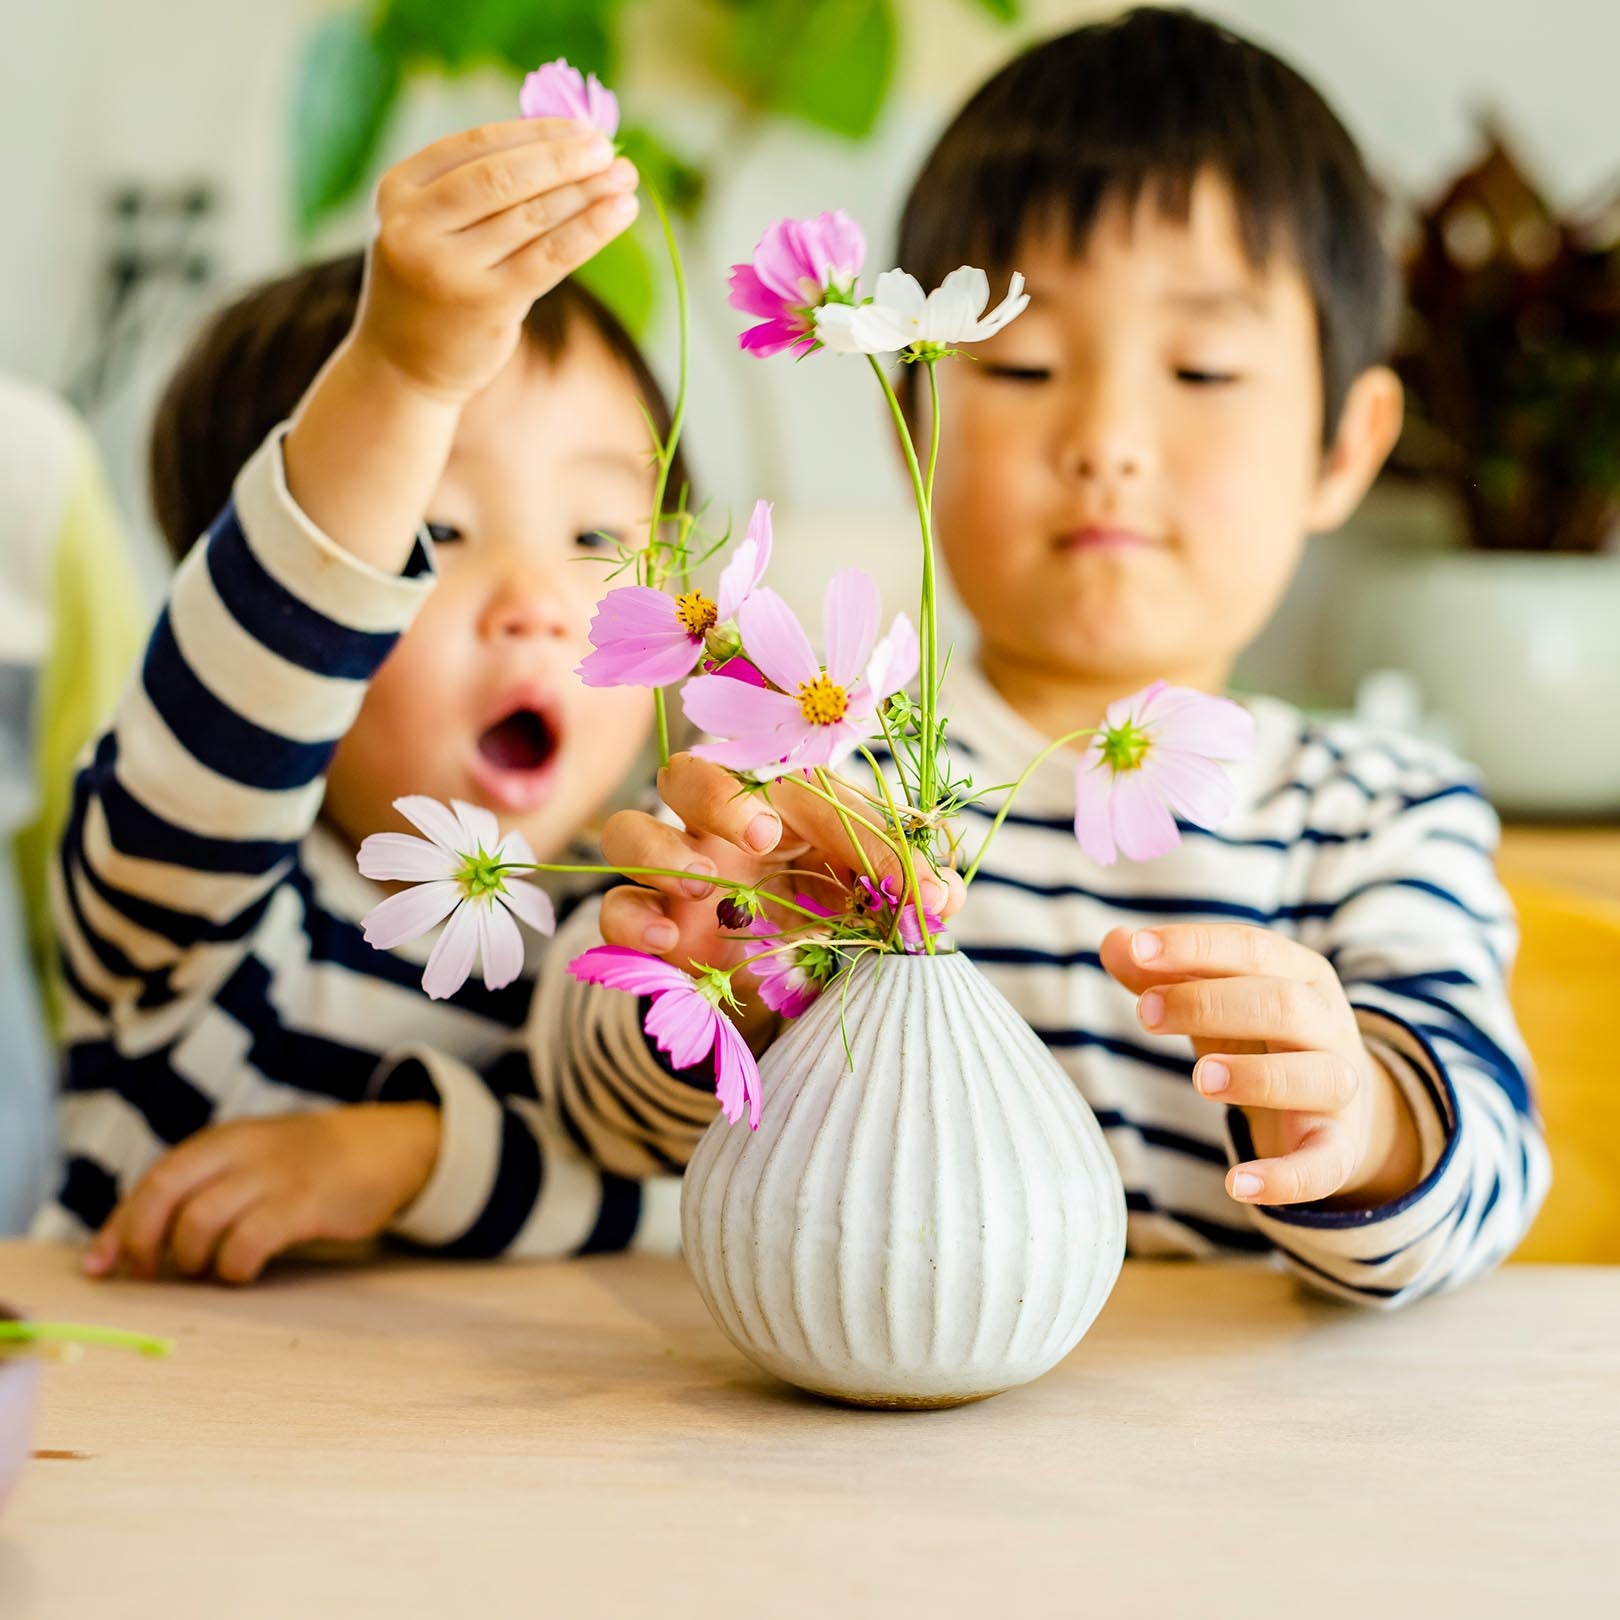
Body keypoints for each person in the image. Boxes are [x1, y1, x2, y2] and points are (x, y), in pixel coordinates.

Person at [598, 8, 1550, 1307]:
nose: (1107, 436)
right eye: (1028, 362)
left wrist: (1359, 1117)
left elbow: (1484, 1160)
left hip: (1228, 1459)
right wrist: (720, 976)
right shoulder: (823, 783)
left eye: (1204, 369)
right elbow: (599, 1113)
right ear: (910, 426)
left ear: (1346, 446)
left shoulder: (1379, 816)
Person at [35, 115, 726, 1282]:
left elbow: (682, 1191)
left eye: (597, 534)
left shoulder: (624, 925)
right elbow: (238, 701)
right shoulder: (194, 910)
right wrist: (403, 375)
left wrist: (410, 1156)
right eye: (435, 531)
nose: (536, 601)